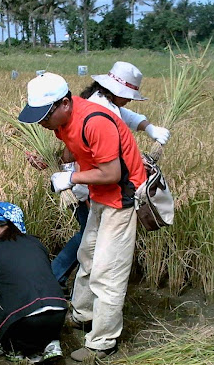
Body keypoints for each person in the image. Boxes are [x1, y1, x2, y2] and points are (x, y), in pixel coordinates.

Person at [18, 72, 146, 362]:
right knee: (87, 256)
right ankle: (83, 315)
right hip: (100, 195)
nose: (41, 122)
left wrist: (71, 178)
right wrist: (48, 162)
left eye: (45, 115)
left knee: (107, 272)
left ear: (65, 103)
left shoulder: (95, 121)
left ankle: (103, 342)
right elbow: (71, 152)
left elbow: (112, 173)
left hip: (121, 199)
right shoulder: (64, 123)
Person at [31, 62, 170, 289]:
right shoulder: (97, 111)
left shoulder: (98, 102)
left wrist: (149, 127)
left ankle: (60, 286)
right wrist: (76, 184)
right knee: (94, 252)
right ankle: (54, 280)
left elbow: (126, 116)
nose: (129, 100)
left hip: (98, 186)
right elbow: (83, 156)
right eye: (127, 96)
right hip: (96, 187)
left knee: (88, 247)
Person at [0, 202, 68, 364]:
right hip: (58, 312)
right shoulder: (37, 244)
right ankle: (50, 342)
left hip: (22, 322)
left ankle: (12, 346)